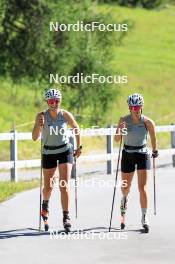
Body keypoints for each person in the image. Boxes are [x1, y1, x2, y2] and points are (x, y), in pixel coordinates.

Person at [32, 88, 82, 231]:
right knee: (48, 187)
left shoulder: (65, 115)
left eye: (56, 100)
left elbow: (76, 128)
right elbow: (35, 137)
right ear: (47, 102)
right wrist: (38, 125)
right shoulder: (41, 116)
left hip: (65, 150)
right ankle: (45, 205)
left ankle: (66, 216)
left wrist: (79, 147)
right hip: (48, 152)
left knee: (64, 185)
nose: (54, 103)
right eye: (51, 101)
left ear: (60, 101)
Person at [115, 93, 158, 232]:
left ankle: (144, 217)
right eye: (133, 107)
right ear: (129, 107)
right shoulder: (123, 120)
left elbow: (153, 138)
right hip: (127, 154)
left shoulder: (147, 122)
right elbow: (116, 139)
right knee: (125, 188)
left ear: (142, 107)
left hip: (142, 154)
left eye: (138, 106)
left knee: (142, 188)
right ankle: (124, 199)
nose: (136, 109)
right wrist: (120, 129)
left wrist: (155, 150)